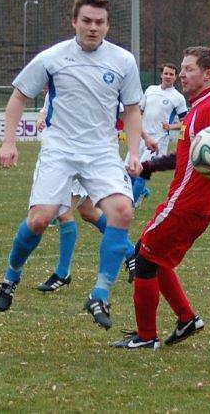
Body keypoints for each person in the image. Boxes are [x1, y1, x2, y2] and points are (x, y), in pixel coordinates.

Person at [0, 0, 143, 331]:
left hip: (102, 152)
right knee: (40, 220)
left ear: (108, 25)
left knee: (122, 211)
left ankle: (99, 294)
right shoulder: (53, 57)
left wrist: (133, 152)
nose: (93, 28)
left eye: (100, 22)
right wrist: (8, 142)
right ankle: (10, 277)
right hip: (59, 149)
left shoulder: (123, 62)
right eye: (87, 21)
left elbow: (133, 109)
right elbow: (18, 96)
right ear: (74, 22)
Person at [112, 46, 210, 350]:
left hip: (189, 203)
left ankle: (146, 337)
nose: (181, 74)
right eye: (181, 68)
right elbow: (186, 156)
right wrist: (150, 166)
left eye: (188, 69)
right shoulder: (198, 107)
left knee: (144, 259)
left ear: (207, 75)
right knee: (154, 253)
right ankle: (186, 319)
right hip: (184, 200)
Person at [32, 102, 134, 292]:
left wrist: (140, 138)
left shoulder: (98, 79)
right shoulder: (59, 78)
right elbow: (46, 109)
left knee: (64, 214)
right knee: (89, 212)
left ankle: (62, 273)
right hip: (60, 156)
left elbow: (126, 113)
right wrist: (41, 118)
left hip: (81, 156)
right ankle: (132, 253)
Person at [128, 63, 188, 207]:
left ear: (175, 77)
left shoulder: (178, 97)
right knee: (130, 170)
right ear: (161, 75)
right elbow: (139, 111)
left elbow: (185, 121)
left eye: (171, 74)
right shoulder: (150, 90)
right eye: (166, 73)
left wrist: (171, 126)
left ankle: (130, 205)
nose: (168, 76)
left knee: (142, 171)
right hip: (142, 136)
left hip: (158, 139)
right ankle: (142, 192)